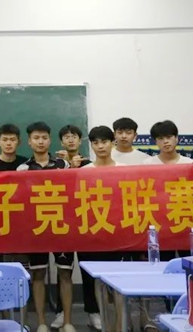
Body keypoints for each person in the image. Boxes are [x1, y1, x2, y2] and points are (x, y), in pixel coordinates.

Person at [16, 122, 74, 332]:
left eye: (44, 138)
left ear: (50, 140)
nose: (40, 142)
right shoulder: (22, 169)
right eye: (36, 138)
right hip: (36, 228)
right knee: (38, 275)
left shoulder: (63, 165)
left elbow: (73, 192)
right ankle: (41, 322)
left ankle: (67, 322)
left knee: (65, 274)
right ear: (29, 142)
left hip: (61, 226)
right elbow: (21, 199)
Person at [72, 127, 124, 332]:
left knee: (117, 281)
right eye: (96, 143)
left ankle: (120, 325)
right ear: (91, 146)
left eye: (104, 142)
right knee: (95, 280)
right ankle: (104, 323)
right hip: (91, 233)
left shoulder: (124, 170)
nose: (100, 146)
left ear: (113, 143)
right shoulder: (83, 172)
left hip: (118, 234)